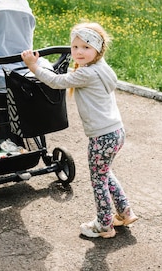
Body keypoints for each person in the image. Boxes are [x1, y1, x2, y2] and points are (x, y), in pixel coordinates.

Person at [21, 22, 138, 239]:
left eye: (86, 47)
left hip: (102, 136)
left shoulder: (87, 74)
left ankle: (104, 224)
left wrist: (33, 66)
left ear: (98, 50)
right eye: (75, 47)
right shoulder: (103, 68)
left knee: (98, 179)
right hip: (116, 132)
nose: (79, 52)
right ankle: (124, 212)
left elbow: (56, 82)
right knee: (105, 173)